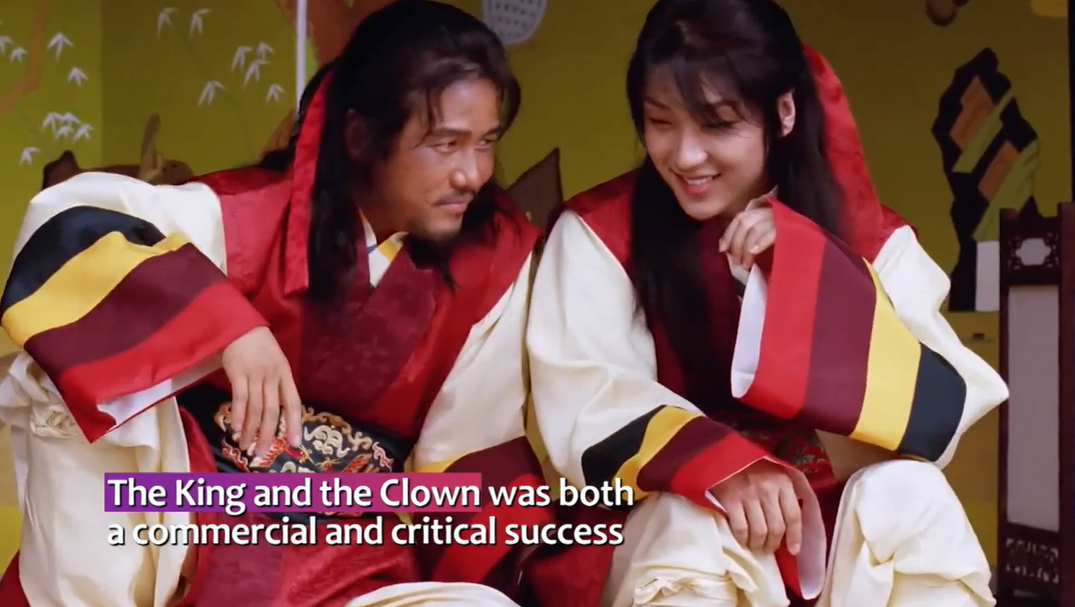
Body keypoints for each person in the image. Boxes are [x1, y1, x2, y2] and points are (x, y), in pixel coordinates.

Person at [0, 1, 552, 606]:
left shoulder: (492, 264)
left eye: (485, 143)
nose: (473, 174)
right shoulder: (246, 217)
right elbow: (67, 222)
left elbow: (471, 454)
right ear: (361, 137)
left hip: (357, 556)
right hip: (183, 529)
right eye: (446, 145)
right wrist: (227, 326)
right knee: (70, 363)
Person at [524, 0, 1008, 606]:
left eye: (717, 124)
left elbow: (936, 413)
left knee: (912, 496)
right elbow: (586, 395)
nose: (685, 155)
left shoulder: (873, 239)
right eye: (661, 122)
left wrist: (812, 272)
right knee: (690, 525)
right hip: (665, 521)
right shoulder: (601, 234)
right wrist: (721, 467)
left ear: (783, 112)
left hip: (831, 521)